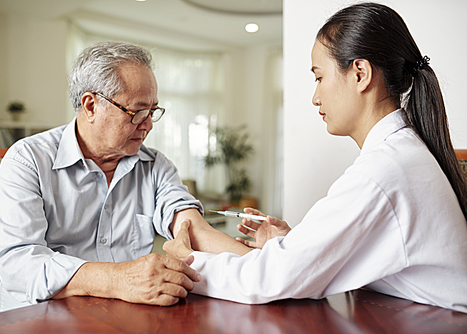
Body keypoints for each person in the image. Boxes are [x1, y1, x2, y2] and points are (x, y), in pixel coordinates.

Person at [164, 2, 467, 313]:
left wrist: (186, 262)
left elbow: (268, 280)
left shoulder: (383, 172)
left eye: (319, 78)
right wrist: (297, 244)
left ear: (360, 74)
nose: (315, 97)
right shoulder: (400, 154)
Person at [0, 41, 249, 312]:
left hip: (123, 316)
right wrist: (118, 279)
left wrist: (271, 263)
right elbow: (18, 264)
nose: (148, 124)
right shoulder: (27, 160)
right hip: (39, 319)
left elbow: (193, 229)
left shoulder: (155, 166)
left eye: (152, 111)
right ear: (91, 106)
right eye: (137, 112)